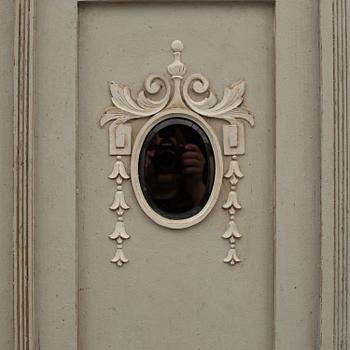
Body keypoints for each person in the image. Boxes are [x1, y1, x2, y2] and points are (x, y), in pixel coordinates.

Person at [143, 124, 207, 216]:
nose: (166, 158)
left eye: (173, 150)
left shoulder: (196, 195)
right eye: (156, 150)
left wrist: (196, 183)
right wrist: (138, 177)